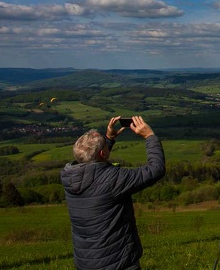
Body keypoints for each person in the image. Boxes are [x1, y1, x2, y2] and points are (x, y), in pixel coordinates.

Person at [61, 115, 166, 270]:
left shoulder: (67, 176)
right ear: (103, 154)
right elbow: (156, 169)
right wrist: (150, 136)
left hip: (85, 261)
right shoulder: (112, 180)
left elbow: (93, 165)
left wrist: (108, 139)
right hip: (116, 261)